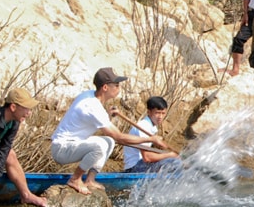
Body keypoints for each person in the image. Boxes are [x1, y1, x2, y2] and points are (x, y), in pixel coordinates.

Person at [50, 67, 168, 195]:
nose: (119, 88)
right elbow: (119, 136)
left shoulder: (91, 97)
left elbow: (103, 128)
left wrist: (107, 115)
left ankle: (90, 179)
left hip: (73, 144)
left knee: (108, 141)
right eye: (116, 85)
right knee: (100, 145)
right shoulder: (92, 105)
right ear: (105, 87)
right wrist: (151, 139)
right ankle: (75, 179)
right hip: (62, 149)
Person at [123, 96, 182, 174]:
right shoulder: (144, 126)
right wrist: (169, 155)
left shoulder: (151, 126)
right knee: (174, 162)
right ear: (149, 112)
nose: (160, 117)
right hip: (134, 168)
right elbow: (147, 157)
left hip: (140, 164)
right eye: (157, 113)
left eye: (163, 113)